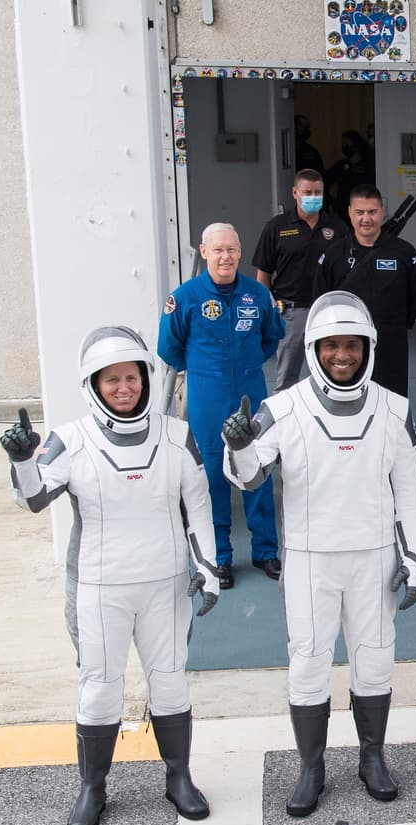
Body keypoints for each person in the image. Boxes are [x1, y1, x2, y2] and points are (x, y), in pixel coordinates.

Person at [0, 326, 221, 825]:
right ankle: (93, 787)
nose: (124, 388)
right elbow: (33, 499)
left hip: (165, 582)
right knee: (99, 690)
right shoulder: (69, 440)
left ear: (146, 378)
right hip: (101, 586)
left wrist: (206, 567)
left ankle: (179, 776)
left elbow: (200, 505)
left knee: (169, 681)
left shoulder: (176, 433)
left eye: (132, 377)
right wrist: (21, 461)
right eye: (111, 380)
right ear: (93, 385)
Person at [221, 291, 416, 817]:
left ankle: (372, 757)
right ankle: (312, 767)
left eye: (351, 345)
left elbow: (410, 492)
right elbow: (249, 475)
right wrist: (239, 446)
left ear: (367, 347)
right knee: (308, 664)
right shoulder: (280, 408)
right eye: (331, 344)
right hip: (311, 558)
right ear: (312, 347)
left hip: (375, 557)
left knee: (375, 663)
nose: (342, 355)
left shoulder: (394, 409)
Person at [158, 223, 286, 584]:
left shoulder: (257, 295)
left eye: (231, 249)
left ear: (240, 252)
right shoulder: (184, 298)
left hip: (249, 390)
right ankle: (221, 557)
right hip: (207, 395)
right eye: (218, 250)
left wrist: (242, 368)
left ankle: (265, 552)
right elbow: (169, 348)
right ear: (203, 252)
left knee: (257, 470)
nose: (225, 257)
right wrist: (205, 371)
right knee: (212, 476)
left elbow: (270, 339)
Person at [314, 185, 416, 399]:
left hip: (390, 342)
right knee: (348, 397)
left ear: (382, 211)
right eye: (359, 212)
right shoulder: (333, 254)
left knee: (391, 398)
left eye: (372, 212)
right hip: (346, 345)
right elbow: (321, 299)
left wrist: (395, 323)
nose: (366, 219)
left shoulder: (404, 252)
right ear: (349, 212)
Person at [252, 169, 350, 392]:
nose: (313, 197)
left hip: (327, 312)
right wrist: (266, 314)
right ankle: (285, 425)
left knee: (333, 375)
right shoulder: (276, 227)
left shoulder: (337, 228)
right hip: (290, 313)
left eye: (318, 192)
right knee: (286, 380)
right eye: (307, 192)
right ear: (295, 193)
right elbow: (263, 275)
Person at [324, 129, 375, 228]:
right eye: (343, 144)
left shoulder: (369, 165)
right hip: (343, 211)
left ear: (356, 145)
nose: (344, 147)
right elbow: (324, 181)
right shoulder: (342, 165)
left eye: (347, 144)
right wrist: (331, 202)